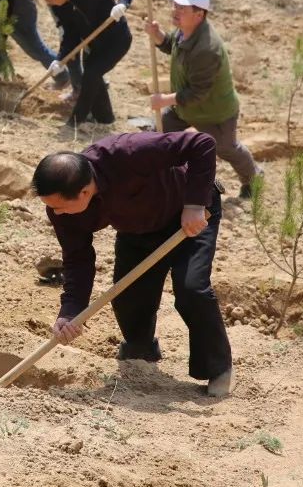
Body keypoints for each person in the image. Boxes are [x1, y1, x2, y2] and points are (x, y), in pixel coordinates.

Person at [32, 131, 233, 397]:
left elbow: (202, 143)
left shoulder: (127, 152)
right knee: (128, 297)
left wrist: (195, 203)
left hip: (190, 219)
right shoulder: (61, 210)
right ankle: (141, 354)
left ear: (83, 192)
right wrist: (70, 312)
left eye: (59, 207)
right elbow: (77, 258)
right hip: (137, 229)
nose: (55, 213)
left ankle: (217, 369)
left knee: (191, 288)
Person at [144, 0, 262, 198]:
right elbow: (172, 45)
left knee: (227, 148)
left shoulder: (207, 49)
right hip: (184, 108)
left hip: (214, 113)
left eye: (182, 8)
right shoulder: (185, 31)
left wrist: (164, 100)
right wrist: (158, 35)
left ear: (199, 14)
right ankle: (158, 181)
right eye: (175, 5)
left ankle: (255, 179)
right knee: (158, 135)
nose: (175, 10)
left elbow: (198, 93)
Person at [38, 0, 134, 127]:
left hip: (117, 41)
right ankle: (105, 118)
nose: (48, 3)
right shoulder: (61, 7)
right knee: (93, 74)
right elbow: (70, 35)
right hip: (96, 45)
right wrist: (60, 59)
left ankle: (76, 121)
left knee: (91, 73)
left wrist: (123, 2)